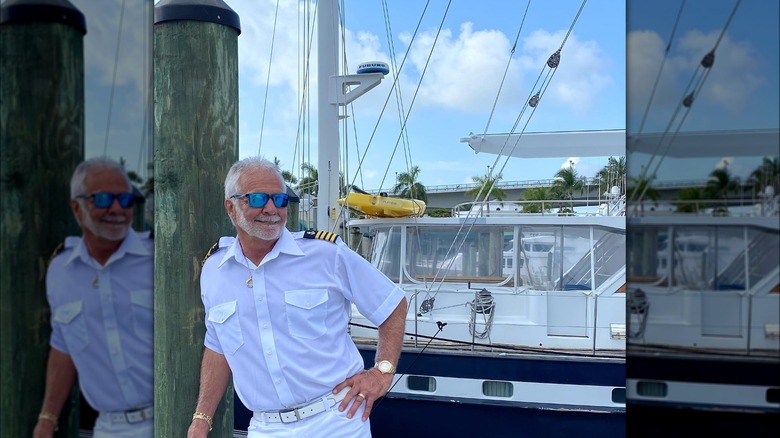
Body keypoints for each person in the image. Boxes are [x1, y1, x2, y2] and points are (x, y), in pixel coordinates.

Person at [188, 156, 407, 438]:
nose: (271, 209)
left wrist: (383, 371)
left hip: (335, 420)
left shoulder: (326, 254)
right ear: (231, 207)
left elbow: (391, 304)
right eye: (257, 199)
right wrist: (202, 418)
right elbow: (218, 346)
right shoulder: (215, 271)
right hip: (265, 427)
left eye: (279, 199)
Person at [33, 157, 154, 438]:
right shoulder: (61, 272)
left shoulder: (159, 259)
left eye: (125, 199)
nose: (117, 209)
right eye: (103, 199)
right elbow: (64, 346)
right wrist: (47, 419)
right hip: (110, 428)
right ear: (77, 207)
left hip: (170, 418)